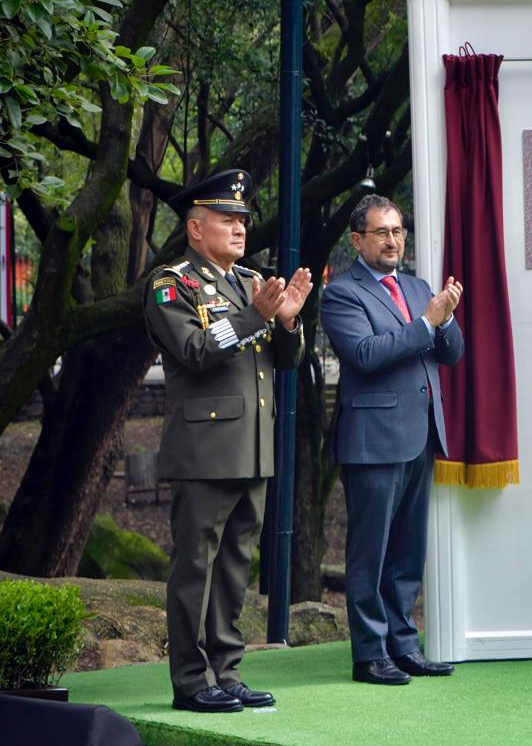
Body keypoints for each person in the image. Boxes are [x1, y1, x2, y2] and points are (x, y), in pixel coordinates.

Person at [143, 169, 312, 713]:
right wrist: (254, 317)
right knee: (196, 566)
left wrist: (285, 324)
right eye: (227, 219)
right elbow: (193, 351)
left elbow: (286, 363)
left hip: (252, 447)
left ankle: (227, 671)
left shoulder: (248, 282)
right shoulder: (173, 285)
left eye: (242, 220)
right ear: (196, 229)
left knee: (236, 565)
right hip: (205, 450)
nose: (240, 228)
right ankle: (192, 681)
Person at [320, 194, 464, 686]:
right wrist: (427, 321)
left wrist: (444, 320)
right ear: (357, 240)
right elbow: (364, 353)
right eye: (381, 232)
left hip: (421, 433)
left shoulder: (418, 285)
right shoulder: (342, 293)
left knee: (407, 551)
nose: (392, 240)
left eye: (398, 231)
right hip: (374, 439)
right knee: (370, 553)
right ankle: (369, 654)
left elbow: (452, 352)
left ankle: (404, 645)